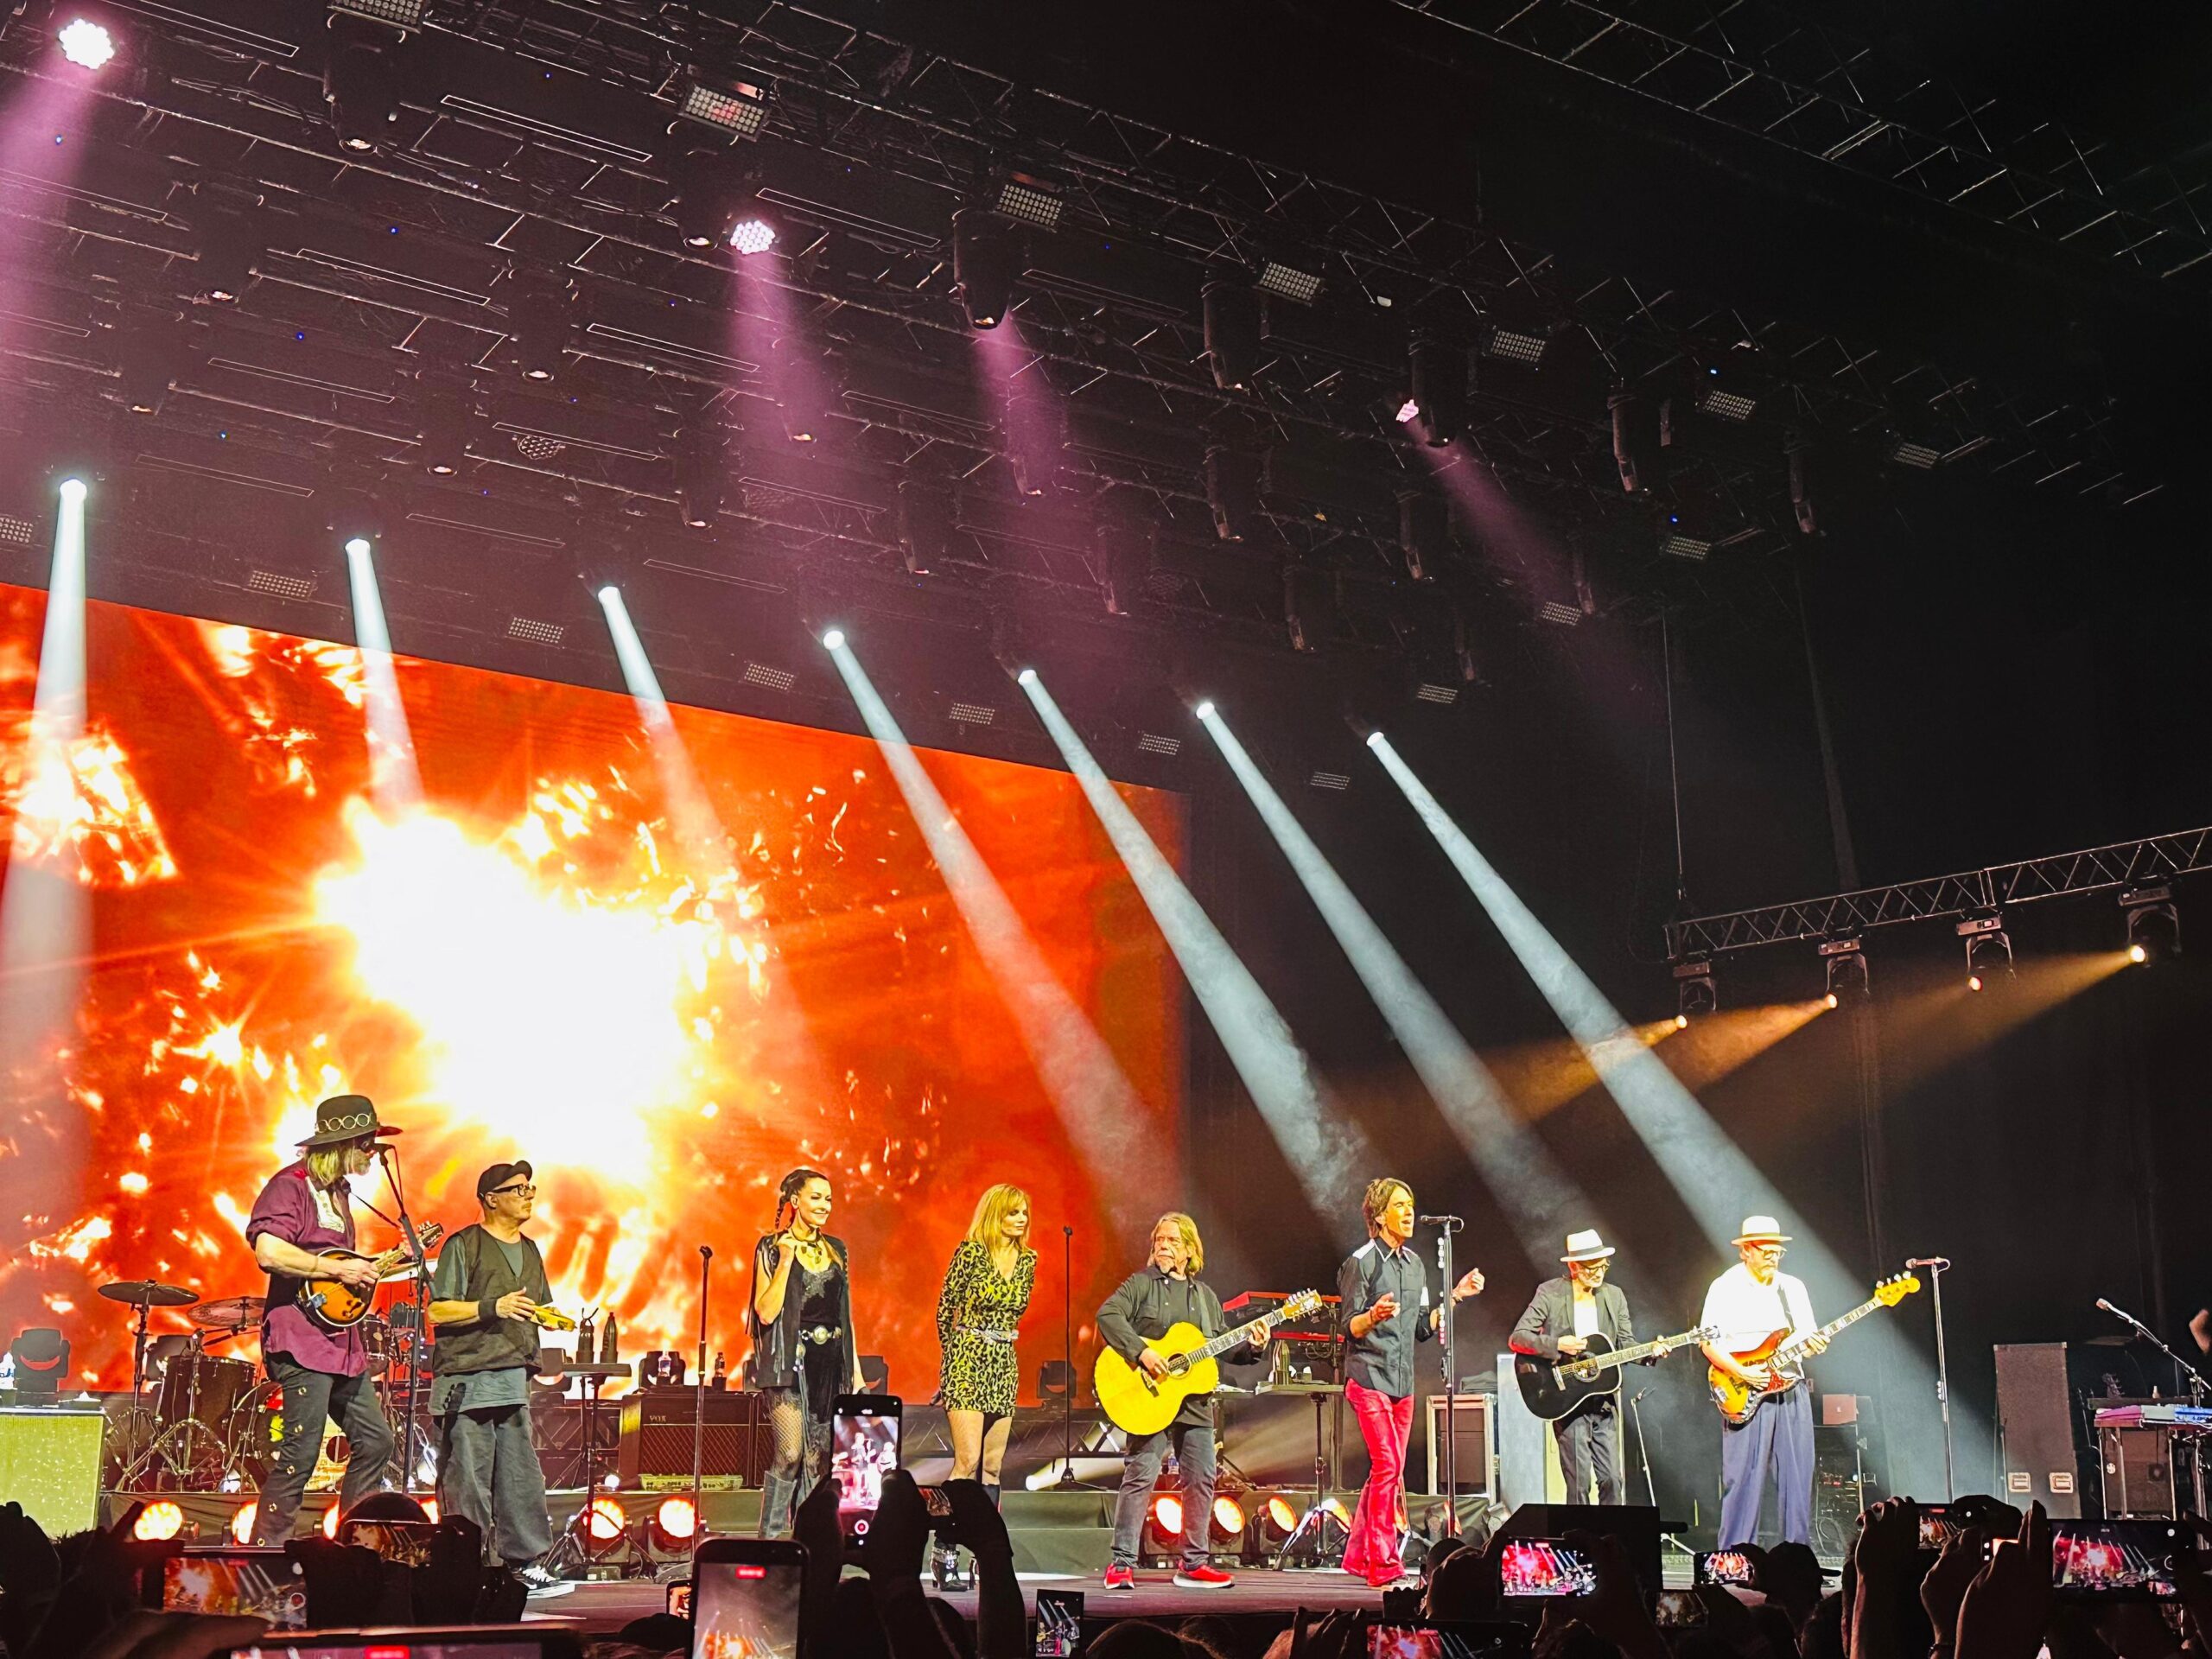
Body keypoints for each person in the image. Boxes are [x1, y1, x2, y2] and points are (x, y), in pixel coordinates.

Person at [243, 1093, 400, 1542]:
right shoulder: (289, 1186)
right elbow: (269, 1251)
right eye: (366, 1142)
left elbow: (340, 1264)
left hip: (340, 1344)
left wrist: (375, 1268)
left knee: (377, 1442)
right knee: (301, 1452)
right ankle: (267, 1552)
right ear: (341, 1142)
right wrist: (336, 1268)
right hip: (300, 1339)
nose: (371, 1151)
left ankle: (353, 1544)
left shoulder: (339, 1193)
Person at [424, 1158, 569, 1598]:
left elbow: (539, 1304)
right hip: (467, 1380)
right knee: (468, 1479)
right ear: (491, 1199)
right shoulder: (463, 1245)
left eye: (530, 1188)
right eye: (518, 1188)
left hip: (512, 1379)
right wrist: (493, 1307)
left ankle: (522, 1565)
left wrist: (553, 1318)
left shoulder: (530, 1249)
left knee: (520, 1477)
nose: (528, 1195)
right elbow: (438, 1309)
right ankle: (467, 1566)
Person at [1096, 1212, 1261, 1593]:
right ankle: (1121, 1563)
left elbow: (1222, 1347)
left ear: (1189, 1250)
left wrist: (1254, 1345)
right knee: (1141, 1474)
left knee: (1202, 1478)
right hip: (1149, 1396)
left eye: (1171, 1241)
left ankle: (1195, 1563)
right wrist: (1141, 1353)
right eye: (1158, 1240)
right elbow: (1108, 1315)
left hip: (1194, 1401)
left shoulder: (1205, 1298)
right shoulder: (1140, 1284)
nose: (1163, 1246)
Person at [1337, 1179, 1486, 1589]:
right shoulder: (1361, 1262)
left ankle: (1356, 1555)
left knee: (1388, 1468)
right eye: (1400, 1205)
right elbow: (1347, 1326)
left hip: (1402, 1383)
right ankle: (1382, 1561)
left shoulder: (1416, 1265)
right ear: (1380, 1214)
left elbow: (1422, 1327)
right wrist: (1373, 1317)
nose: (1409, 1212)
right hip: (1367, 1376)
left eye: (1412, 1204)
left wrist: (1454, 1296)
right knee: (1388, 1466)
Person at [1509, 1228, 1664, 1507]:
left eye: (1602, 1265)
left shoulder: (1614, 1296)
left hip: (1603, 1400)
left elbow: (1625, 1344)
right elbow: (1518, 1338)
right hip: (1566, 1400)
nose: (1599, 1272)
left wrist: (1649, 1353)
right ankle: (1580, 1545)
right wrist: (1558, 1345)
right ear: (1573, 1266)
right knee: (1579, 1484)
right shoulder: (1550, 1293)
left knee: (1612, 1481)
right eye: (1591, 1267)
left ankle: (1611, 1544)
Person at [747, 1166, 863, 1537]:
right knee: (791, 1455)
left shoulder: (838, 1249)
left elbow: (846, 1313)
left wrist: (856, 1370)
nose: (825, 1205)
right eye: (816, 1197)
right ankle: (769, 1538)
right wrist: (784, 1259)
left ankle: (810, 1539)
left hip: (829, 1363)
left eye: (829, 1198)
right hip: (788, 1362)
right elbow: (765, 1312)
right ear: (795, 1201)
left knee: (819, 1460)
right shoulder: (769, 1246)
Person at [932, 1183, 1038, 1584]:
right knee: (968, 1462)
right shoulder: (971, 1253)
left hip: (1003, 1361)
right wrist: (951, 1358)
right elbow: (945, 1308)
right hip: (967, 1357)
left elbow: (1017, 1312)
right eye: (1013, 1212)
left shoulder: (1028, 1260)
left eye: (1024, 1212)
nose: (1021, 1219)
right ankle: (945, 1550)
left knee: (993, 1467)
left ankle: (986, 1553)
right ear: (996, 1215)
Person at [1700, 1215, 1826, 1547]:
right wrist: (1741, 1372)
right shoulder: (1724, 1287)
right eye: (1765, 1251)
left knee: (1797, 1477)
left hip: (1790, 1388)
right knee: (1742, 1477)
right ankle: (1735, 1558)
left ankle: (1797, 1556)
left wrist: (1813, 1346)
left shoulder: (1793, 1287)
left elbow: (1807, 1336)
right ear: (1745, 1252)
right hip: (1744, 1390)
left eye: (1777, 1252)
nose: (1773, 1257)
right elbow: (1707, 1342)